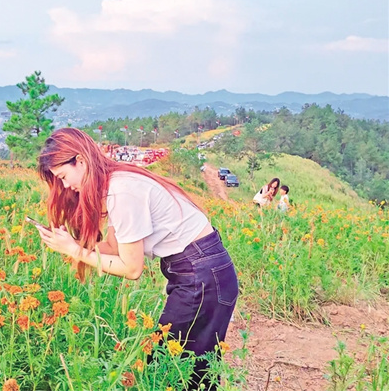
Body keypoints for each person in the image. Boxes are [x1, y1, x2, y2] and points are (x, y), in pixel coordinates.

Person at [33, 128, 238, 390]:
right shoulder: (114, 184)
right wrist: (72, 245)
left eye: (63, 176)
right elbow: (113, 247)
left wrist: (76, 251)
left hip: (201, 273)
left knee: (173, 367)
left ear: (80, 161)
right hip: (200, 270)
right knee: (183, 367)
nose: (64, 186)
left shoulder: (122, 191)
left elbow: (131, 269)